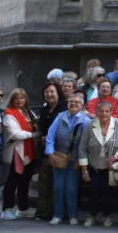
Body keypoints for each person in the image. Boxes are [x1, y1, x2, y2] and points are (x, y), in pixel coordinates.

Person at [77, 101, 118, 227]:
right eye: (101, 111)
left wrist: (116, 156)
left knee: (109, 193)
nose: (104, 114)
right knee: (93, 191)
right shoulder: (89, 125)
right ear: (96, 112)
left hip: (111, 167)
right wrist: (84, 170)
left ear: (111, 112)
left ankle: (107, 216)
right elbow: (82, 148)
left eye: (107, 111)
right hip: (94, 166)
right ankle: (91, 216)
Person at [44, 93, 86, 225]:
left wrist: (80, 161)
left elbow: (86, 144)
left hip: (75, 159)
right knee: (58, 188)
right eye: (71, 102)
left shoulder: (86, 120)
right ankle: (58, 214)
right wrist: (50, 153)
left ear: (82, 105)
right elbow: (50, 136)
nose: (73, 104)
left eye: (77, 102)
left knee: (71, 189)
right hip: (59, 157)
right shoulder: (60, 116)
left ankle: (73, 215)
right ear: (67, 104)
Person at [0, 88, 40, 221]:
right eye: (16, 98)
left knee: (25, 181)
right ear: (12, 100)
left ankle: (23, 209)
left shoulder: (28, 112)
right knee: (12, 181)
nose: (19, 100)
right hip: (16, 152)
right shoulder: (8, 113)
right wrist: (33, 135)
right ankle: (7, 209)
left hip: (28, 151)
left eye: (22, 98)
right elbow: (15, 134)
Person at [36, 82, 65, 220]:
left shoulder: (64, 107)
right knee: (44, 181)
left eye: (52, 91)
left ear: (58, 92)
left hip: (60, 150)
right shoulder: (44, 109)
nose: (49, 94)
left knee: (58, 184)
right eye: (46, 92)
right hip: (46, 150)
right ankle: (42, 212)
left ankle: (57, 212)